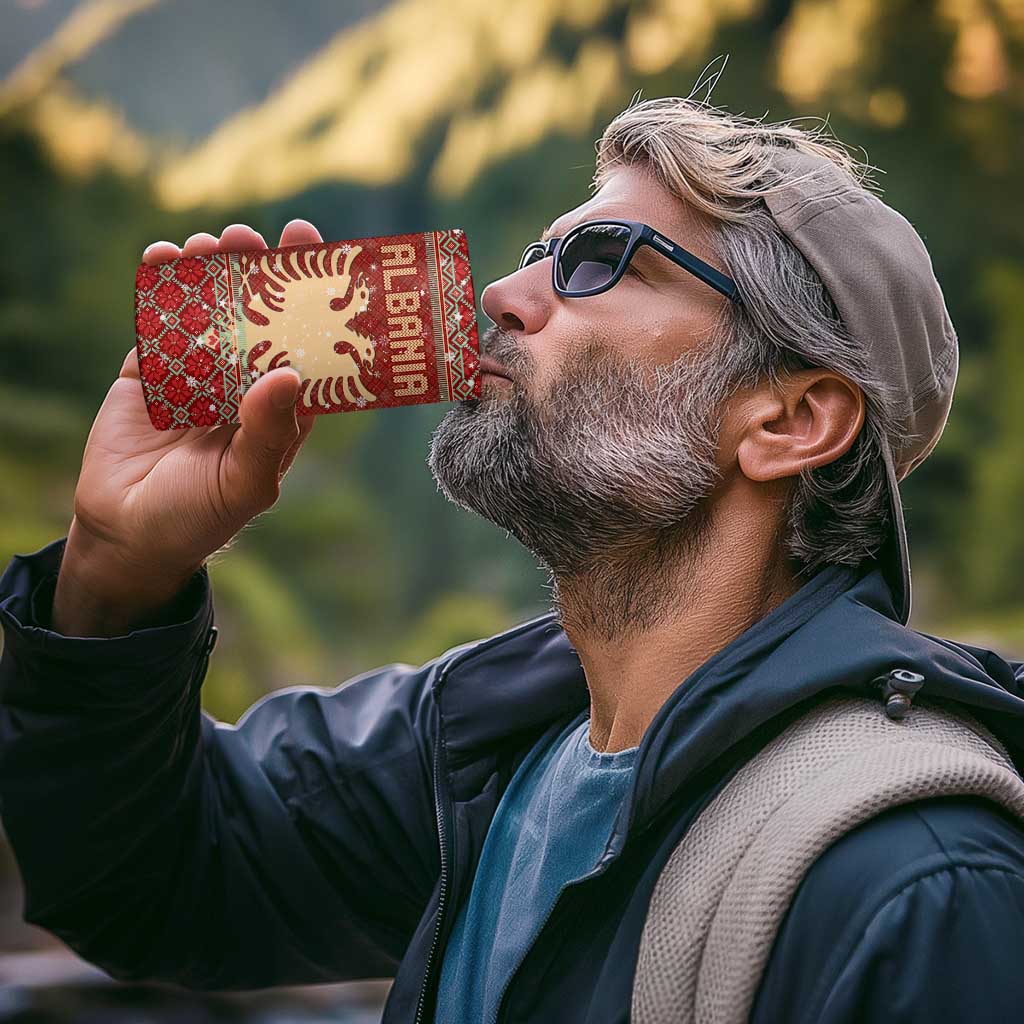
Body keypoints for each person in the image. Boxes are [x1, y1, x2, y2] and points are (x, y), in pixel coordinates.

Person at [2, 94, 1024, 1024]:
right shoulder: (479, 750)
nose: (501, 292)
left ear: (790, 419)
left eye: (600, 261)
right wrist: (115, 572)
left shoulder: (918, 885)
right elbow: (148, 880)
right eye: (540, 252)